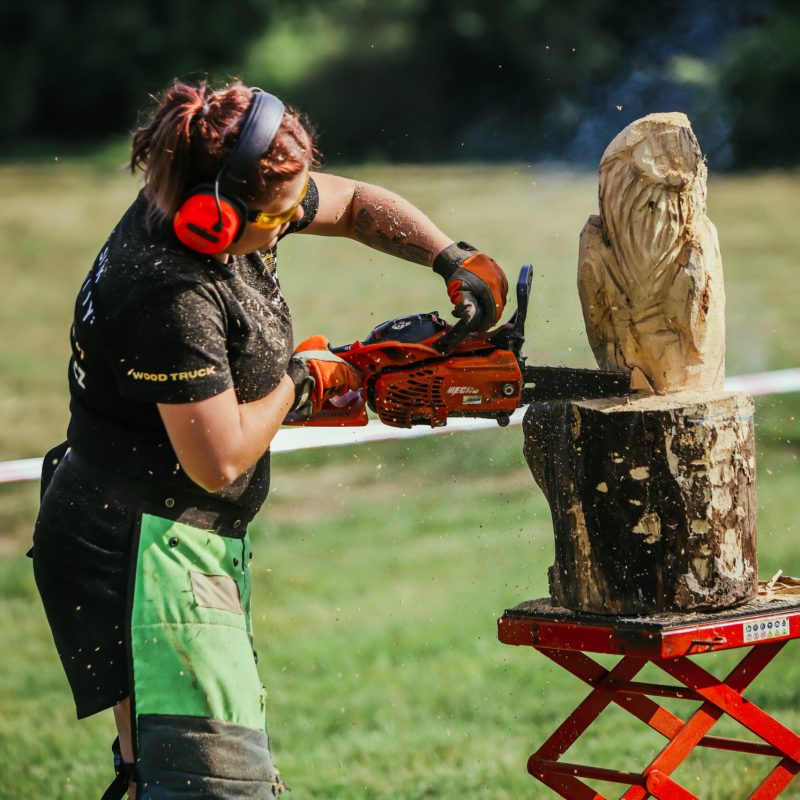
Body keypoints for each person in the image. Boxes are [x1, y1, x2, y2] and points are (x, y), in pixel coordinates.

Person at [30, 79, 508, 799]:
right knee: (216, 785)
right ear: (210, 219)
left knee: (163, 777)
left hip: (168, 537)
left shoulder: (216, 190)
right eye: (278, 218)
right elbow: (217, 460)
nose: (290, 226)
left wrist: (452, 257)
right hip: (141, 552)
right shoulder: (172, 294)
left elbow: (349, 205)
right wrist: (300, 379)